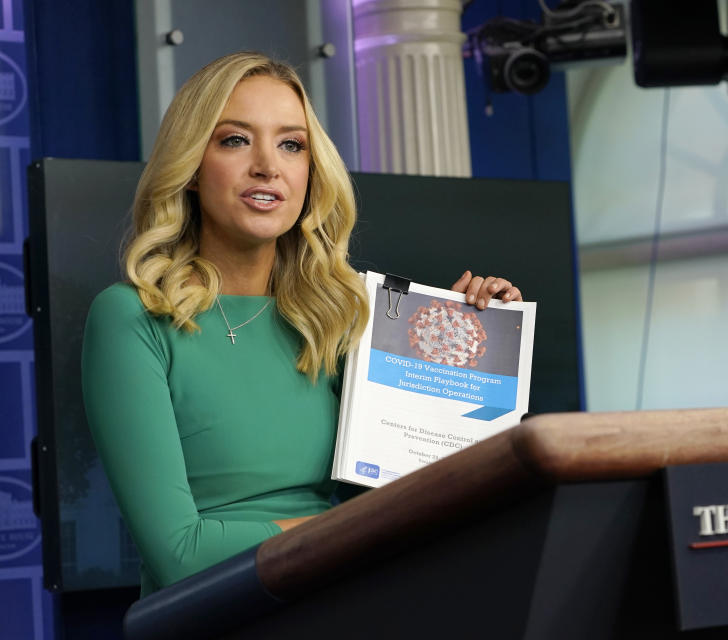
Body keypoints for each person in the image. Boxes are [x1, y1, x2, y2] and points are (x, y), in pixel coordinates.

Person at [81, 51, 522, 597]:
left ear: (310, 173)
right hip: (217, 611)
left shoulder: (337, 314)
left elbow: (412, 494)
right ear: (192, 167)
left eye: (291, 145)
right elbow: (182, 555)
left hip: (344, 594)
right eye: (235, 140)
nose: (267, 165)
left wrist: (458, 346)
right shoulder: (131, 317)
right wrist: (361, 529)